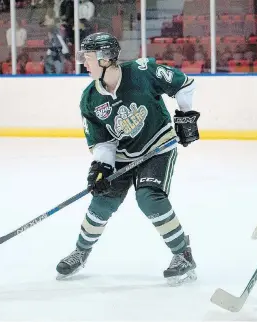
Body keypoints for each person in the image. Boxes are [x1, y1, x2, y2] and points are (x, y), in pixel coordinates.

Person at [56, 32, 200, 286]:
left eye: (88, 58)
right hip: (122, 157)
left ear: (105, 59)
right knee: (101, 203)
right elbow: (102, 141)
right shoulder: (90, 98)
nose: (84, 63)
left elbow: (184, 83)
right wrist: (101, 167)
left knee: (149, 197)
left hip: (157, 146)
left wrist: (186, 116)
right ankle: (80, 252)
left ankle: (182, 254)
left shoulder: (142, 71)